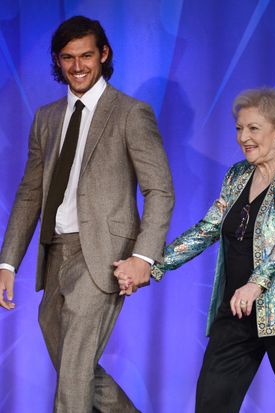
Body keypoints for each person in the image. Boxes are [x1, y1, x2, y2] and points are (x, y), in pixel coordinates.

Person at [0, 15, 174, 413]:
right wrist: (8, 261)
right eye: (67, 57)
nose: (77, 66)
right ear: (58, 61)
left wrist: (143, 257)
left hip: (103, 256)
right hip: (54, 253)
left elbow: (160, 190)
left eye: (86, 56)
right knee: (75, 371)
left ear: (103, 55)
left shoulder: (131, 113)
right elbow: (29, 193)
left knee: (75, 372)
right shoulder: (46, 118)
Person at [119, 88, 275, 412]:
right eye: (239, 128)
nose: (243, 137)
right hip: (237, 309)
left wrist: (255, 284)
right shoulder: (236, 175)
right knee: (211, 403)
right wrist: (153, 265)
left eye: (253, 128)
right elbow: (207, 229)